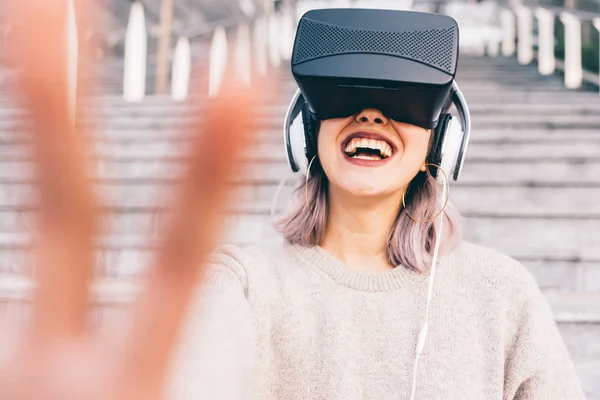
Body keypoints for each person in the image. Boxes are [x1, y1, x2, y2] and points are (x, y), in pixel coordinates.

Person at [0, 2, 585, 400]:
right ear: (303, 131)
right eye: (346, 98)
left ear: (445, 140)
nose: (372, 115)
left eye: (403, 103)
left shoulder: (501, 294)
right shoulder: (243, 283)